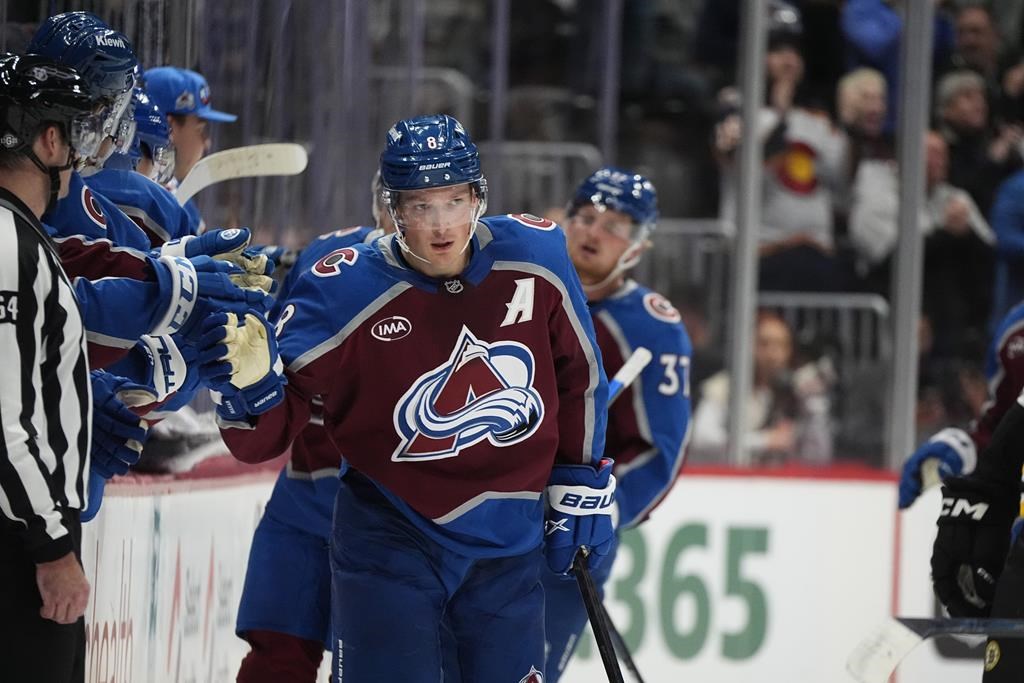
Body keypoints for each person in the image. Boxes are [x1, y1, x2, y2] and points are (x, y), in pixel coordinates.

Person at [205, 113, 615, 681]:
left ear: (478, 197)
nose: (442, 224)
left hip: (509, 539)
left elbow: (581, 373)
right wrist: (244, 384)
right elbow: (261, 439)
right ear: (393, 209)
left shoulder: (536, 255)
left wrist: (580, 476)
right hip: (390, 532)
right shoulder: (341, 288)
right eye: (422, 206)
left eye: (455, 201)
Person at [233, 174, 395, 682]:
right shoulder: (329, 258)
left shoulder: (477, 284)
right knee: (274, 659)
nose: (416, 217)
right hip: (305, 504)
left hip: (401, 529)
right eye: (401, 200)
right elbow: (277, 346)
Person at [542, 167, 693, 681]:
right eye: (586, 217)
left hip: (567, 534)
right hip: (488, 518)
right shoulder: (523, 289)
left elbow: (660, 452)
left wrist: (598, 511)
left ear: (638, 247)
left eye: (614, 226)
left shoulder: (651, 326)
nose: (593, 232)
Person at [0, 52, 108, 683]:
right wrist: (51, 547)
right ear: (46, 139)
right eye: (73, 132)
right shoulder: (6, 242)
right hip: (18, 551)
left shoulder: (20, 236)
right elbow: (2, 419)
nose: (76, 153)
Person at [690, 310, 833, 463]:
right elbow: (701, 439)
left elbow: (818, 457)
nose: (773, 353)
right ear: (746, 345)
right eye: (764, 343)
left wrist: (814, 405)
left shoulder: (791, 392)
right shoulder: (722, 387)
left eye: (782, 345)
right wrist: (765, 440)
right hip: (720, 473)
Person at [144, 65, 236, 232]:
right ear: (169, 128)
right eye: (200, 130)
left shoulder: (172, 192)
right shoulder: (164, 199)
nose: (207, 143)